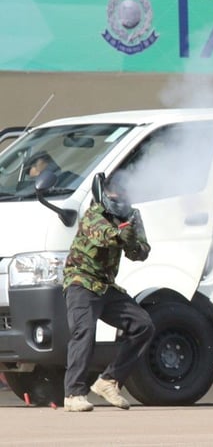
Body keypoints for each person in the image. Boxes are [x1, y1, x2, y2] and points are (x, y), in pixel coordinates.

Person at [62, 173, 154, 412]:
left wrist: (133, 241)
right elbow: (104, 236)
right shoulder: (94, 214)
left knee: (143, 325)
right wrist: (120, 235)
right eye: (114, 191)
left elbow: (140, 252)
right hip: (81, 281)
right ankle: (73, 394)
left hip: (105, 286)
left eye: (122, 191)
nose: (118, 195)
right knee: (84, 331)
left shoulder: (131, 216)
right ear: (104, 192)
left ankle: (109, 381)